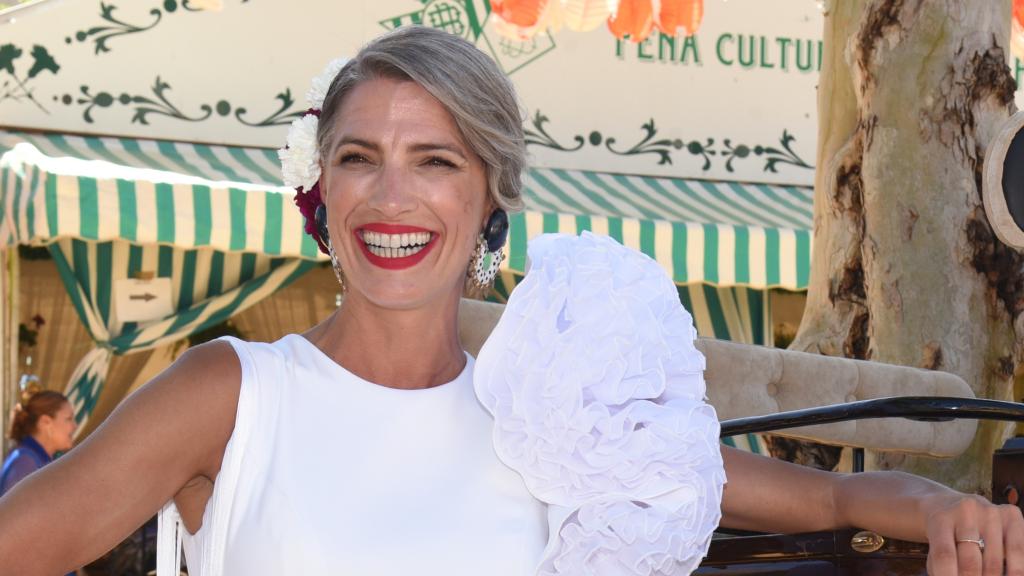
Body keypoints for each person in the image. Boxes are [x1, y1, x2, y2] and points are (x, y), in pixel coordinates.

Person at [0, 26, 1019, 576]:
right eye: (360, 158)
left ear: (489, 199)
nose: (391, 195)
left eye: (434, 161)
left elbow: (839, 500)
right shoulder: (233, 392)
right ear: (322, 193)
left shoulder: (554, 412)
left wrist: (954, 518)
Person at [0, 389, 76, 497]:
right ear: (45, 422)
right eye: (69, 419)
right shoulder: (24, 463)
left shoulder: (35, 459)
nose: (74, 426)